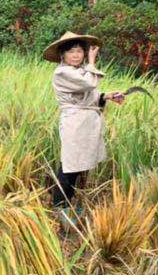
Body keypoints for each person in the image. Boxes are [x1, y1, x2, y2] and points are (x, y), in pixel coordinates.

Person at [44, 30, 124, 223]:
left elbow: (88, 95)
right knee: (69, 165)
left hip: (86, 122)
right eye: (71, 52)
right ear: (62, 55)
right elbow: (89, 83)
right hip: (74, 122)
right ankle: (59, 207)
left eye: (80, 51)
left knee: (78, 166)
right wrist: (92, 60)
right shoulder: (62, 72)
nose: (76, 55)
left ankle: (68, 204)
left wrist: (106, 96)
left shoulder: (79, 71)